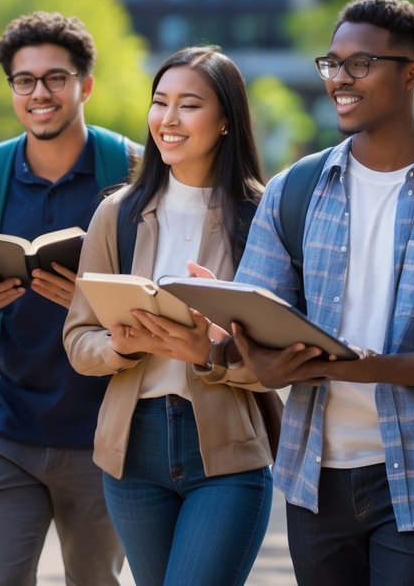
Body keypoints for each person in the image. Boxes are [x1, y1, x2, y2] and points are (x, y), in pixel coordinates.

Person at [230, 0, 414, 586]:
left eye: (360, 64)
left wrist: (379, 368)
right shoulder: (294, 190)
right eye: (332, 63)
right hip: (314, 473)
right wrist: (259, 358)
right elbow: (256, 307)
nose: (340, 79)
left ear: (413, 74)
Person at [63, 46, 274, 586]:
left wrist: (209, 353)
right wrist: (118, 347)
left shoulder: (262, 216)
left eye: (189, 105)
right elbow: (78, 339)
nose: (168, 120)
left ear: (226, 119)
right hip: (133, 454)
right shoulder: (118, 213)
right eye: (160, 102)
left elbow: (287, 358)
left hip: (225, 454)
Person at [0, 11, 133, 586]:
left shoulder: (134, 172)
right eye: (24, 80)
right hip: (9, 429)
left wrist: (92, 300)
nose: (39, 93)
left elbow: (167, 291)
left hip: (107, 436)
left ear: (85, 85)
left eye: (55, 78)